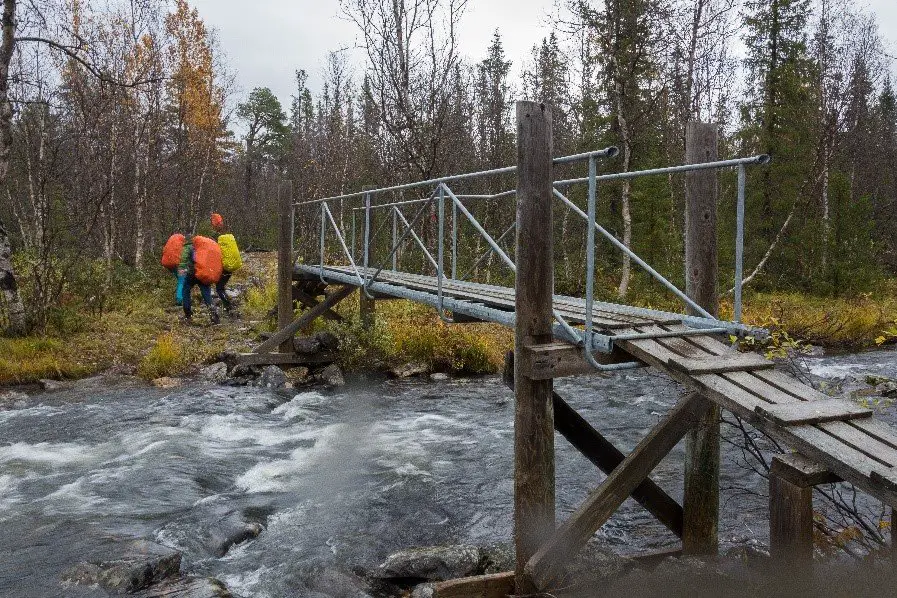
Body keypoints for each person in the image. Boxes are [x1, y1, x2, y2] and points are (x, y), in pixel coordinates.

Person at [178, 234, 220, 324]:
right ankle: (214, 317)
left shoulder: (190, 246)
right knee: (207, 295)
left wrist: (181, 268)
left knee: (185, 291)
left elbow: (184, 258)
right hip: (203, 273)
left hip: (192, 274)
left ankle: (188, 316)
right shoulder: (205, 248)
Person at [210, 213, 242, 316]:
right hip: (231, 265)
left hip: (224, 267)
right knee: (221, 286)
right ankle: (227, 305)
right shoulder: (228, 235)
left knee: (219, 288)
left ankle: (228, 307)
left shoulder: (216, 238)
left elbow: (215, 253)